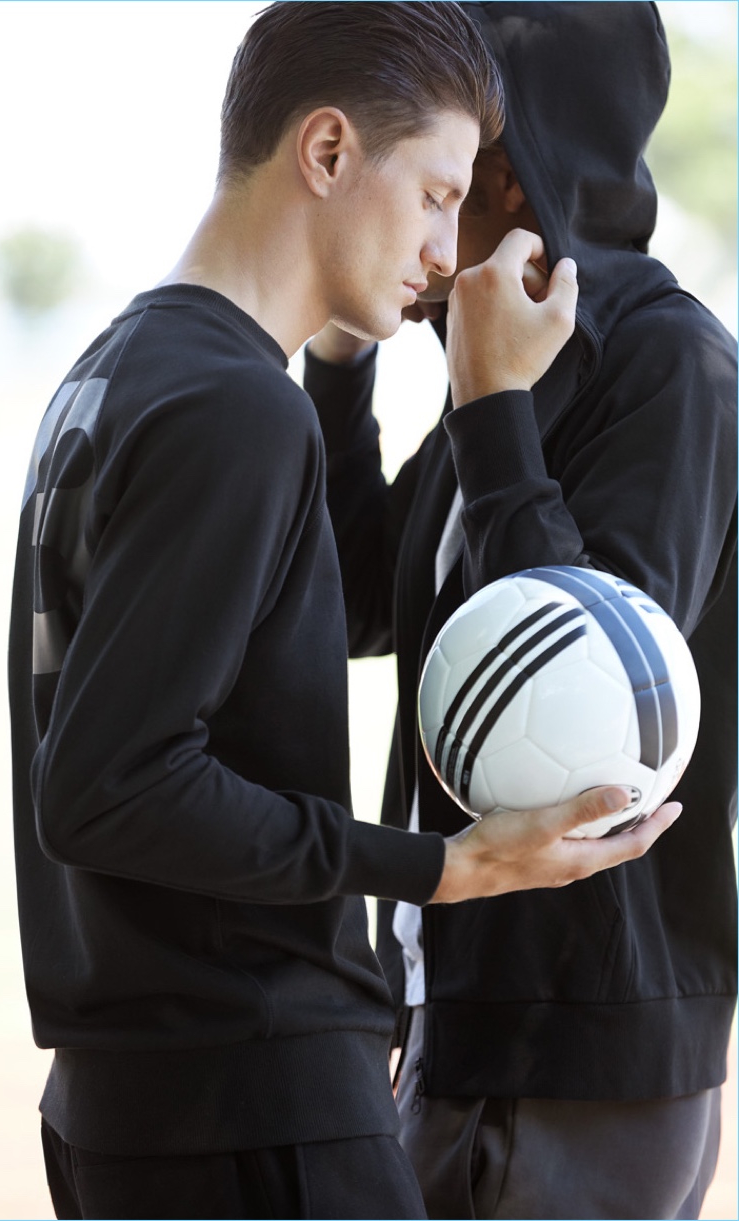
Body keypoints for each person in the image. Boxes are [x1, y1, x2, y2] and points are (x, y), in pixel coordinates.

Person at [9, 3, 683, 1219]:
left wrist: (358, 361)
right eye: (435, 193)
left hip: (143, 1092)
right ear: (326, 153)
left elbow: (314, 604)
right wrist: (435, 867)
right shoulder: (230, 410)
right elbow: (113, 786)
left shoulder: (113, 373)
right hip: (250, 1096)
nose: (443, 248)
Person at [305, 3, 737, 1219]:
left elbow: (588, 706)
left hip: (579, 1051)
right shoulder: (496, 367)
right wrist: (339, 362)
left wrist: (492, 405)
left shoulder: (665, 368)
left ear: (503, 163)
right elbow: (351, 599)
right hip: (456, 1018)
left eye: (441, 160)